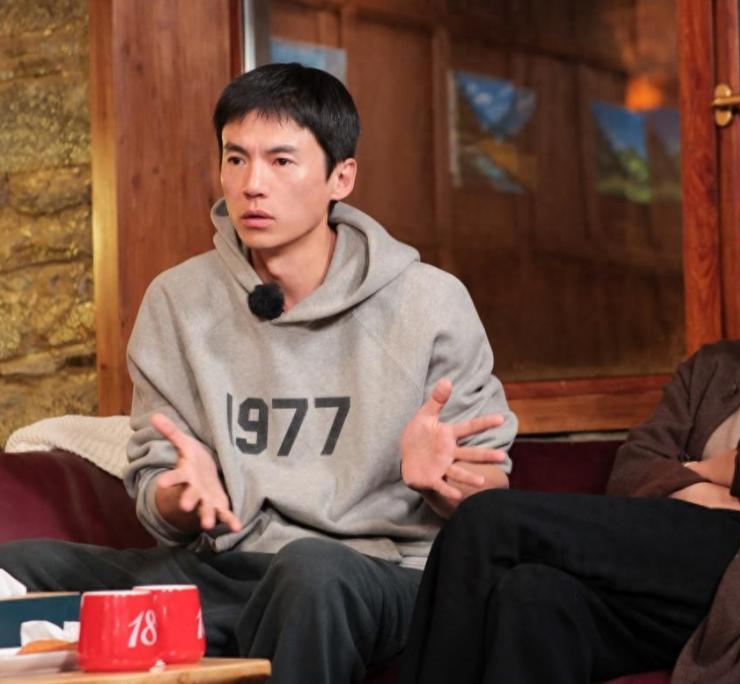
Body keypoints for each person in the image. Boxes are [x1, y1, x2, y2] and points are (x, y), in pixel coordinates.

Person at [0, 63, 517, 683]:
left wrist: (444, 484)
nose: (252, 185)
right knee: (18, 570)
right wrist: (181, 496)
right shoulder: (178, 301)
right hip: (226, 570)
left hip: (382, 575)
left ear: (341, 177)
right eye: (236, 159)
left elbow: (493, 500)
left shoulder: (428, 302)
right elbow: (159, 493)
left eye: (281, 161)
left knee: (311, 571)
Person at [398, 127, 740, 684]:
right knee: (531, 596)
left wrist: (694, 473)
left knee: (489, 520)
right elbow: (633, 470)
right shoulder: (716, 365)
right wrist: (727, 488)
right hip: (673, 579)